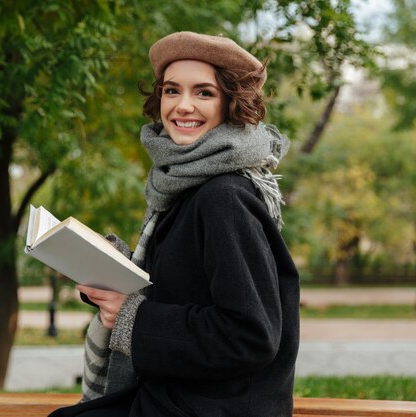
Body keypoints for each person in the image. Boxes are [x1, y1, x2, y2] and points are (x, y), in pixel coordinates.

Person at [49, 31, 299, 417]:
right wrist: (116, 267)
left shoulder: (224, 197)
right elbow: (188, 288)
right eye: (171, 91)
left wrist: (133, 317)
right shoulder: (183, 185)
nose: (183, 106)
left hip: (215, 407)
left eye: (204, 93)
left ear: (230, 104)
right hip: (178, 395)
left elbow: (251, 335)